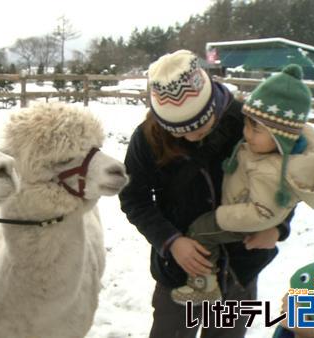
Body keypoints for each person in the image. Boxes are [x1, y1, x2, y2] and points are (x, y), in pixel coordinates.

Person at [119, 49, 293, 338]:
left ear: (213, 104)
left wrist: (278, 227)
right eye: (178, 132)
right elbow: (133, 197)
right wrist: (171, 242)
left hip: (238, 266)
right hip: (180, 270)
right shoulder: (147, 137)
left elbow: (287, 177)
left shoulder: (248, 123)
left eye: (199, 126)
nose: (190, 136)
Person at [171, 64, 314, 305]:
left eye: (256, 129)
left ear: (281, 136)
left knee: (201, 231)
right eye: (246, 124)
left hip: (242, 230)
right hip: (231, 229)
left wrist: (225, 216)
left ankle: (203, 284)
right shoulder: (264, 149)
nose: (247, 133)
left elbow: (268, 209)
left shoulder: (272, 169)